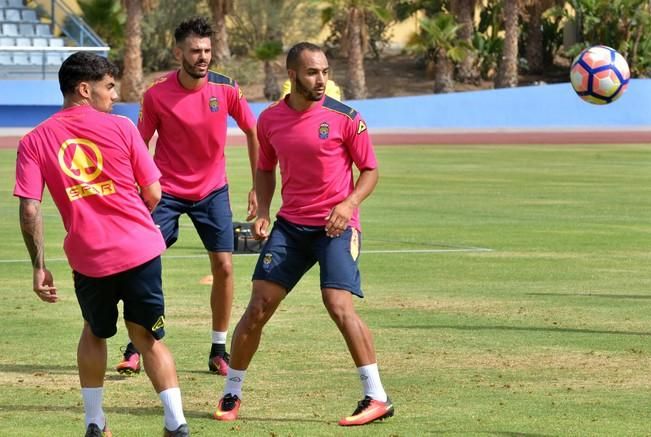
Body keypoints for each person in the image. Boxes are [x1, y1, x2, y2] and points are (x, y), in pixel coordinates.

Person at [213, 42, 394, 426]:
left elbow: (370, 170)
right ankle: (232, 392)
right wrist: (262, 210)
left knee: (338, 304)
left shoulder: (346, 117)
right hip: (291, 227)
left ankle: (376, 396)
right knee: (258, 307)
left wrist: (347, 206)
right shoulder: (270, 119)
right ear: (292, 75)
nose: (321, 80)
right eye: (313, 72)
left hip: (337, 227)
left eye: (325, 72)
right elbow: (265, 169)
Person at [14, 52, 189, 437]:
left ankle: (94, 421)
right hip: (141, 251)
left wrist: (38, 265)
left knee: (94, 332)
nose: (113, 95)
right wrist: (130, 222)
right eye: (108, 87)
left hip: (90, 258)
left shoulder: (33, 141)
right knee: (146, 337)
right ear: (84, 88)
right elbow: (155, 192)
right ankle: (175, 423)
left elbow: (30, 210)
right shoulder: (123, 128)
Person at [116, 16, 259, 376]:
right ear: (178, 52)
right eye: (195, 51)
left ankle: (218, 348)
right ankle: (137, 343)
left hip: (213, 191)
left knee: (225, 267)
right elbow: (139, 143)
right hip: (166, 191)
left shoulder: (227, 90)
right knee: (141, 263)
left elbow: (254, 131)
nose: (203, 57)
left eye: (207, 50)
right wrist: (142, 187)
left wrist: (258, 184)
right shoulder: (157, 94)